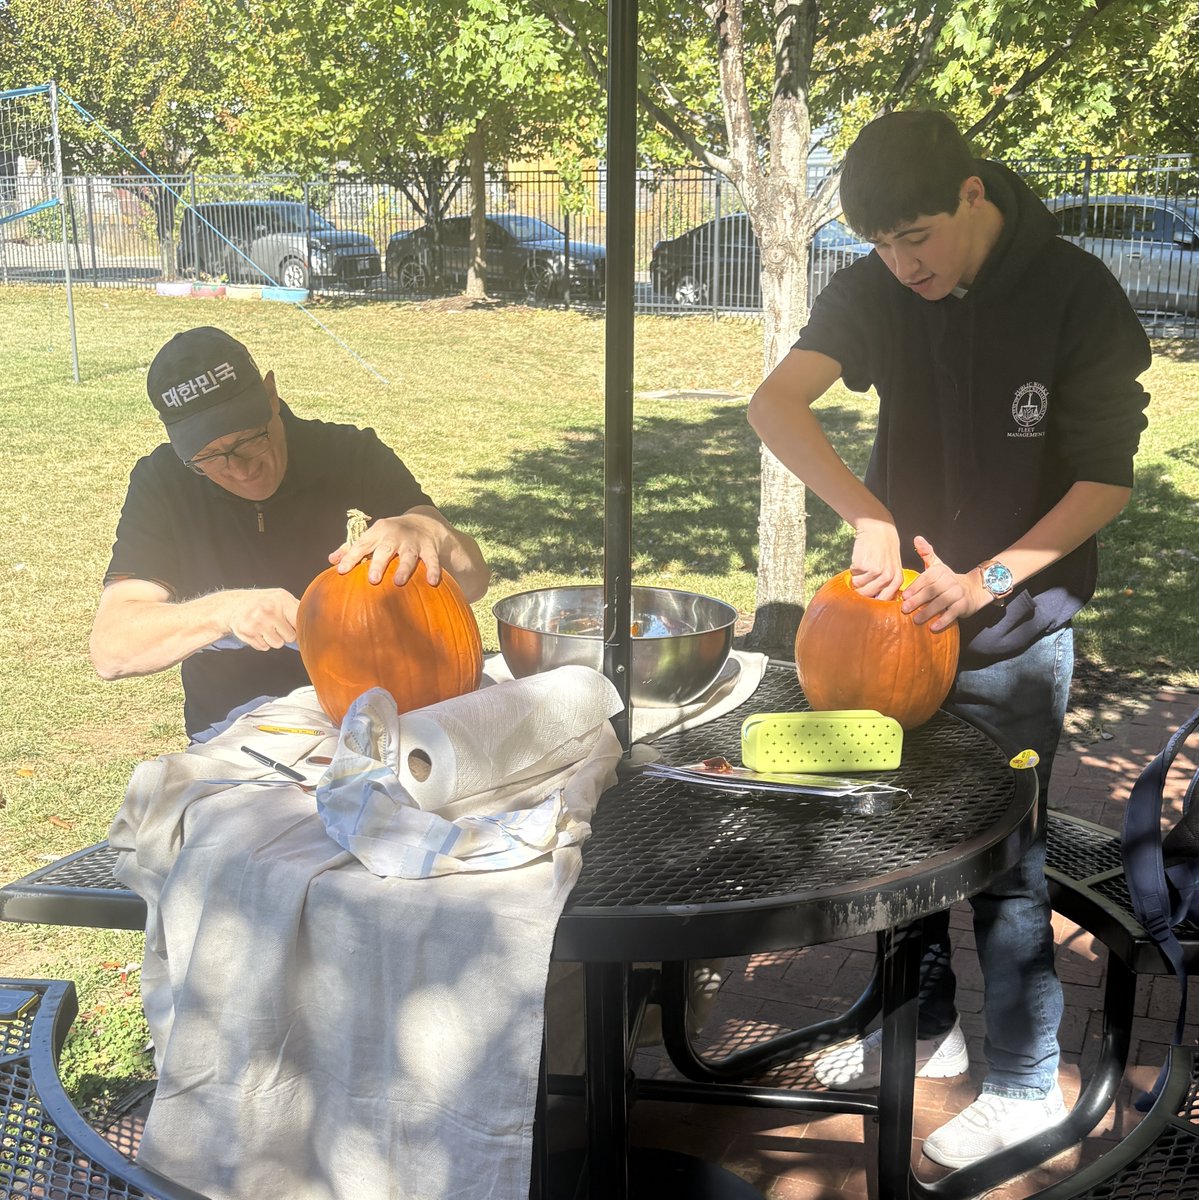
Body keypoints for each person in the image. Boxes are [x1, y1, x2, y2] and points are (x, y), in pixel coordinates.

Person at [747, 110, 1151, 1168]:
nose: (900, 262)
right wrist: (864, 512)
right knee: (894, 841)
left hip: (1015, 630)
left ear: (972, 193)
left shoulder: (1075, 297)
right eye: (880, 243)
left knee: (1005, 863)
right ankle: (922, 1033)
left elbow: (1104, 480)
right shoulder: (881, 283)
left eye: (916, 235)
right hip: (892, 633)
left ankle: (1022, 1084)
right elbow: (775, 403)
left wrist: (989, 581)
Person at [91, 326, 490, 739]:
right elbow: (112, 649)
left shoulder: (347, 453)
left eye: (250, 439)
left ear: (270, 395)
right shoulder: (163, 483)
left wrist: (427, 530)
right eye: (211, 457)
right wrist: (225, 612)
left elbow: (475, 579)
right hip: (241, 729)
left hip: (379, 704)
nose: (242, 469)